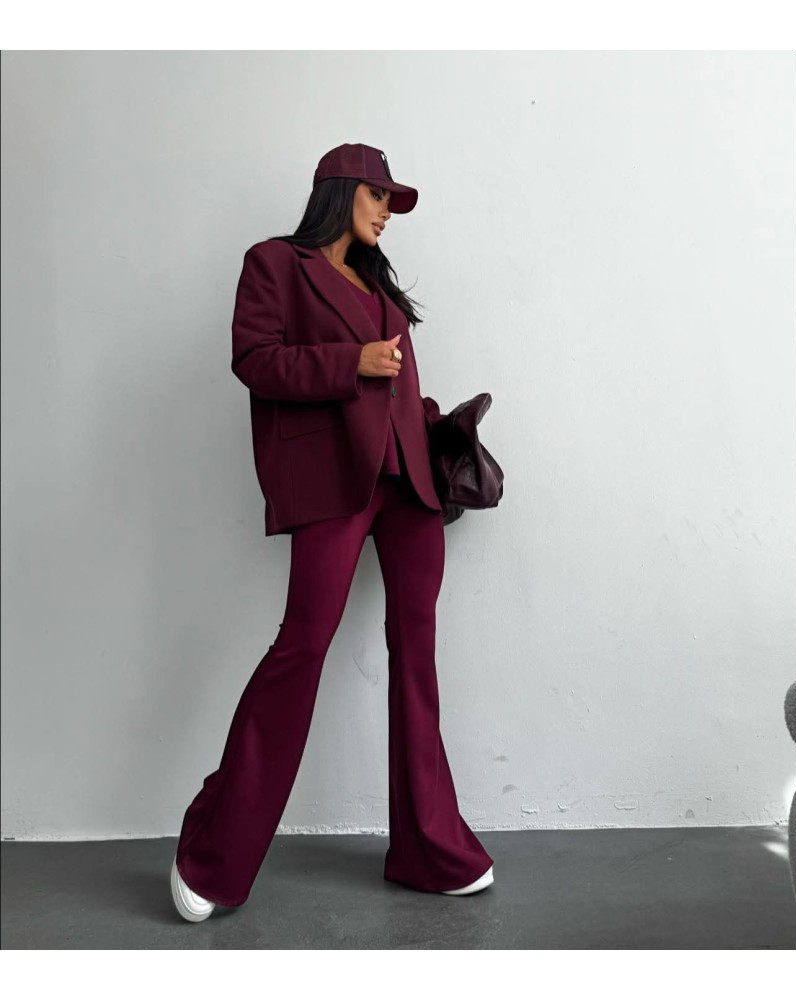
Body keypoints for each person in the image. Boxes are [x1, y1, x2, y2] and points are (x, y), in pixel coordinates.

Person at [170, 143, 494, 922]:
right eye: (379, 196)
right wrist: (353, 363)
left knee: (417, 659)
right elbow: (255, 360)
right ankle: (211, 851)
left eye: (392, 202)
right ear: (342, 191)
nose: (387, 213)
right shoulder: (275, 264)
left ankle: (428, 850)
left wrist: (438, 429)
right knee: (302, 646)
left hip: (409, 491)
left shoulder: (381, 287)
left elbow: (395, 388)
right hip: (334, 485)